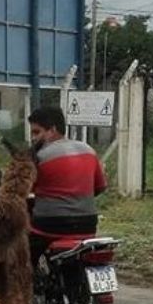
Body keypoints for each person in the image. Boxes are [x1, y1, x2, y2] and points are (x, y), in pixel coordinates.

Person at [27, 106, 107, 275]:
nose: (33, 138)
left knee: (21, 259)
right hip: (88, 226)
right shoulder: (89, 151)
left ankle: (26, 295)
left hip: (49, 228)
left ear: (53, 130)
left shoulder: (38, 158)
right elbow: (99, 188)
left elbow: (26, 190)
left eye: (37, 132)